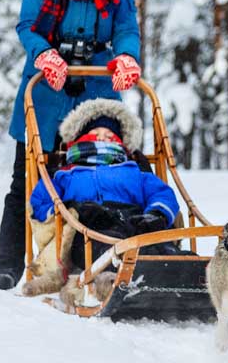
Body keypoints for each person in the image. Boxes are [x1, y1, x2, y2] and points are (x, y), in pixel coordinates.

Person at [0, 0, 143, 289]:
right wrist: (45, 55)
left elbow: (126, 27)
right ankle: (8, 264)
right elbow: (28, 26)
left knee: (103, 171)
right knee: (28, 176)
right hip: (46, 91)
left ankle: (106, 254)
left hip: (96, 86)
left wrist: (126, 56)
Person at [22, 98, 180, 298]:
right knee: (106, 249)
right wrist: (67, 210)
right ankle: (112, 280)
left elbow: (161, 193)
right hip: (88, 229)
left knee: (159, 246)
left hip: (134, 222)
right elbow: (39, 202)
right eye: (95, 135)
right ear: (79, 140)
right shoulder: (65, 175)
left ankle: (191, 273)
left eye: (109, 136)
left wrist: (156, 213)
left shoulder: (134, 171)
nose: (102, 139)